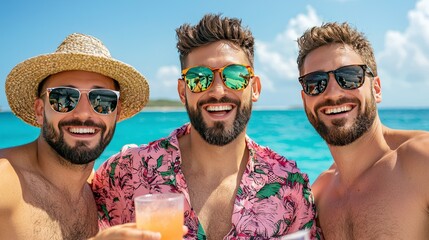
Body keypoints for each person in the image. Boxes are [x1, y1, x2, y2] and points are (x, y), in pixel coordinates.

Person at [92, 14, 321, 240]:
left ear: (255, 88)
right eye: (199, 78)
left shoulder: (290, 186)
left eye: (235, 76)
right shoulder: (125, 173)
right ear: (183, 92)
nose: (218, 91)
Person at [0, 33, 160, 239]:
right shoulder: (5, 182)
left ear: (116, 112)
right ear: (40, 110)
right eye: (64, 98)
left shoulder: (99, 189)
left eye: (102, 100)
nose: (84, 113)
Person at [296, 22, 429, 239]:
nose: (332, 93)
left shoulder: (421, 161)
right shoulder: (319, 195)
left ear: (376, 89)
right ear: (305, 99)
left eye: (349, 77)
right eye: (315, 83)